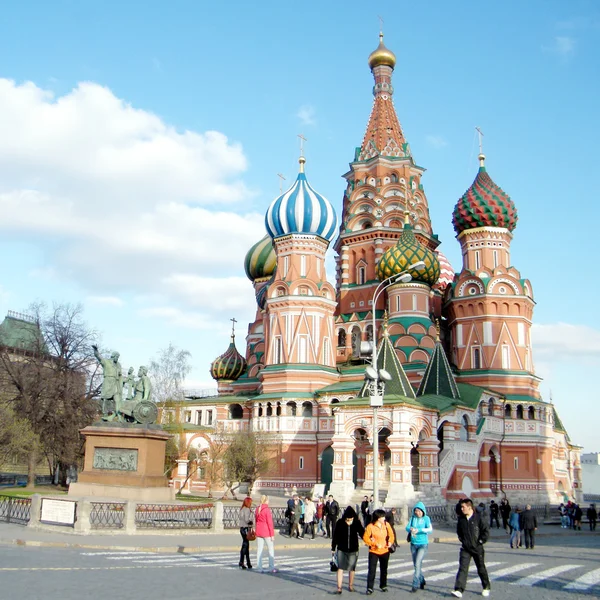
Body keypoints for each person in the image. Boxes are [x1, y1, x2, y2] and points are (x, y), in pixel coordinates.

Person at [451, 498, 491, 598]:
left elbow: (485, 531)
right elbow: (459, 532)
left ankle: (486, 587)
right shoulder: (461, 520)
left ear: (469, 507)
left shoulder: (478, 518)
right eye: (461, 507)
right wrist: (463, 540)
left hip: (477, 548)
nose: (461, 509)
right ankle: (459, 589)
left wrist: (481, 541)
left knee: (481, 568)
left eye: (463, 507)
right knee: (462, 568)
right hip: (465, 548)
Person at [331, 506, 365, 594]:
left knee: (352, 568)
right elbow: (336, 535)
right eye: (347, 519)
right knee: (340, 568)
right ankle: (339, 588)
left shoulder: (356, 523)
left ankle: (351, 586)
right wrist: (333, 547)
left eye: (351, 518)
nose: (349, 520)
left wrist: (369, 541)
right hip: (342, 548)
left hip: (353, 548)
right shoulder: (340, 522)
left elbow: (362, 533)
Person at [363, 508, 395, 595]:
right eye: (382, 517)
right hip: (374, 551)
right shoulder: (370, 526)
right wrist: (373, 543)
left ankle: (383, 585)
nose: (384, 518)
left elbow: (391, 535)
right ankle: (370, 587)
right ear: (377, 518)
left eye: (384, 517)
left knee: (384, 569)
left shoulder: (386, 525)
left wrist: (390, 542)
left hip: (385, 550)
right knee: (372, 570)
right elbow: (365, 538)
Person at [406, 502, 432, 593]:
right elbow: (407, 527)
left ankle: (415, 584)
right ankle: (422, 580)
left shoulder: (426, 519)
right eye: (416, 511)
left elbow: (430, 529)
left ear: (423, 511)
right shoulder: (413, 518)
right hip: (413, 544)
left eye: (419, 511)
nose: (418, 513)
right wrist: (411, 529)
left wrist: (419, 530)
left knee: (418, 563)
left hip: (423, 544)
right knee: (416, 565)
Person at [254, 495, 277, 573]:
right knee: (270, 549)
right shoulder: (266, 509)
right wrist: (272, 534)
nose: (269, 502)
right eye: (268, 500)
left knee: (259, 549)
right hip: (266, 532)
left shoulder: (257, 509)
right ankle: (271, 567)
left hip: (259, 531)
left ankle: (259, 567)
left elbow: (256, 520)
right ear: (266, 501)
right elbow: (269, 523)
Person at [238, 496, 254, 569]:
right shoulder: (247, 509)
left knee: (246, 545)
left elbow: (241, 518)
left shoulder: (242, 509)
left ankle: (248, 563)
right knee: (245, 545)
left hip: (241, 528)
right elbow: (247, 520)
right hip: (246, 529)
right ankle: (242, 562)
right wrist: (251, 521)